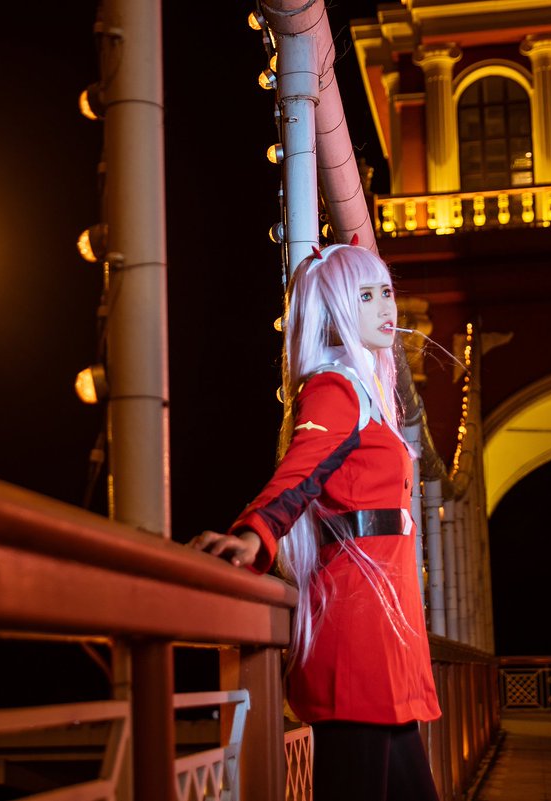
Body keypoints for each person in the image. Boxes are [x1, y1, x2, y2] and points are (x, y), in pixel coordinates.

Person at [189, 243, 441, 800]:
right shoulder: (334, 387)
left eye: (385, 292)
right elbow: (300, 472)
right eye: (365, 296)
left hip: (383, 629)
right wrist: (254, 535)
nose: (385, 306)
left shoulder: (367, 391)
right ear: (335, 310)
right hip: (358, 631)